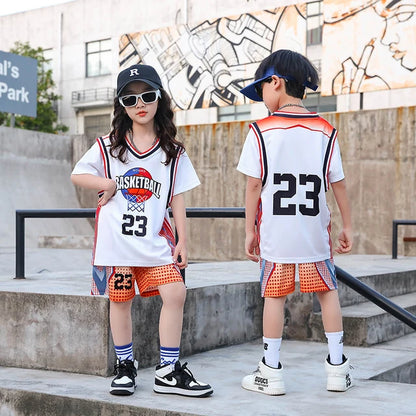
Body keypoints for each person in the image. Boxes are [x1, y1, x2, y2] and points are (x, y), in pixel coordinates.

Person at [71, 64, 213, 398]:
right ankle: (125, 366)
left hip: (155, 241)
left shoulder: (172, 151)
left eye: (147, 95)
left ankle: (167, 369)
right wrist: (105, 182)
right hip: (117, 244)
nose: (140, 104)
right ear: (121, 105)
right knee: (120, 300)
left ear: (159, 98)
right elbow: (78, 173)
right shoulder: (108, 146)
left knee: (175, 293)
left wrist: (183, 241)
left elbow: (177, 197)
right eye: (130, 98)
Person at [237, 49, 353, 395]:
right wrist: (348, 225)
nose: (262, 99)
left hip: (277, 234)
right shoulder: (325, 131)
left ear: (276, 82)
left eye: (262, 91)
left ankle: (270, 370)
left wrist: (249, 230)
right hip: (314, 233)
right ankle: (337, 368)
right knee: (327, 293)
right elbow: (338, 183)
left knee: (274, 298)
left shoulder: (261, 130)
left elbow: (253, 184)